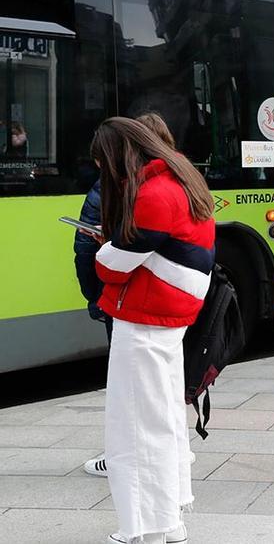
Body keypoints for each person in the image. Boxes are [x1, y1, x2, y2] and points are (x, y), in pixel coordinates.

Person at [91, 117, 215, 544]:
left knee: (132, 428)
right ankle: (172, 520)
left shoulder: (154, 194)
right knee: (162, 421)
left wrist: (104, 249)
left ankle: (144, 528)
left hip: (143, 320)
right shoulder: (183, 179)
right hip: (166, 320)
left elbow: (111, 266)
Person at [77, 112, 179, 481]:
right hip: (165, 306)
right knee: (159, 388)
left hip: (133, 303)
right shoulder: (178, 183)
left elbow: (102, 260)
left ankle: (125, 457)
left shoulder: (140, 191)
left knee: (132, 391)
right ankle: (169, 455)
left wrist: (96, 295)